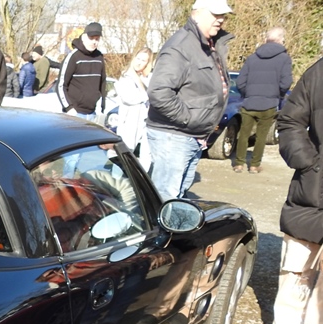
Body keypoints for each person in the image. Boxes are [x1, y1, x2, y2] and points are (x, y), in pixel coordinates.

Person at [269, 52, 323, 324]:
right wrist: (308, 162)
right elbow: (290, 119)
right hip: (312, 187)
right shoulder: (321, 72)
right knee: (296, 266)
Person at [146, 0, 233, 200]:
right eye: (215, 14)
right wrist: (189, 119)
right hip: (174, 135)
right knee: (166, 198)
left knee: (178, 195)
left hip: (192, 135)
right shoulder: (181, 46)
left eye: (223, 15)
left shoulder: (208, 45)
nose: (221, 19)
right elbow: (159, 91)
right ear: (197, 13)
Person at [232, 27, 292, 174]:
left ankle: (239, 164)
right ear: (280, 40)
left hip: (249, 102)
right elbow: (286, 83)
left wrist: (248, 94)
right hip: (269, 103)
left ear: (266, 39)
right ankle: (254, 165)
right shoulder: (284, 58)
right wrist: (278, 96)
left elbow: (240, 81)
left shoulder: (252, 58)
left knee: (244, 134)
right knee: (261, 136)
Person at [56, 22, 106, 121]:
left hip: (92, 113)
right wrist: (69, 108)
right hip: (74, 114)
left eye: (97, 39)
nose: (94, 42)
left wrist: (102, 105)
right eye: (91, 38)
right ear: (83, 37)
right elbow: (61, 85)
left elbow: (103, 83)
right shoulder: (73, 57)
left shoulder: (99, 58)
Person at [114, 47, 153, 171]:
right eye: (138, 58)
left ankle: (142, 180)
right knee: (124, 154)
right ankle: (116, 180)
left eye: (143, 60)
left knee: (146, 154)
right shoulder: (126, 76)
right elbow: (129, 98)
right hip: (129, 122)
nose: (139, 63)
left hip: (146, 121)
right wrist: (146, 95)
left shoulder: (148, 78)